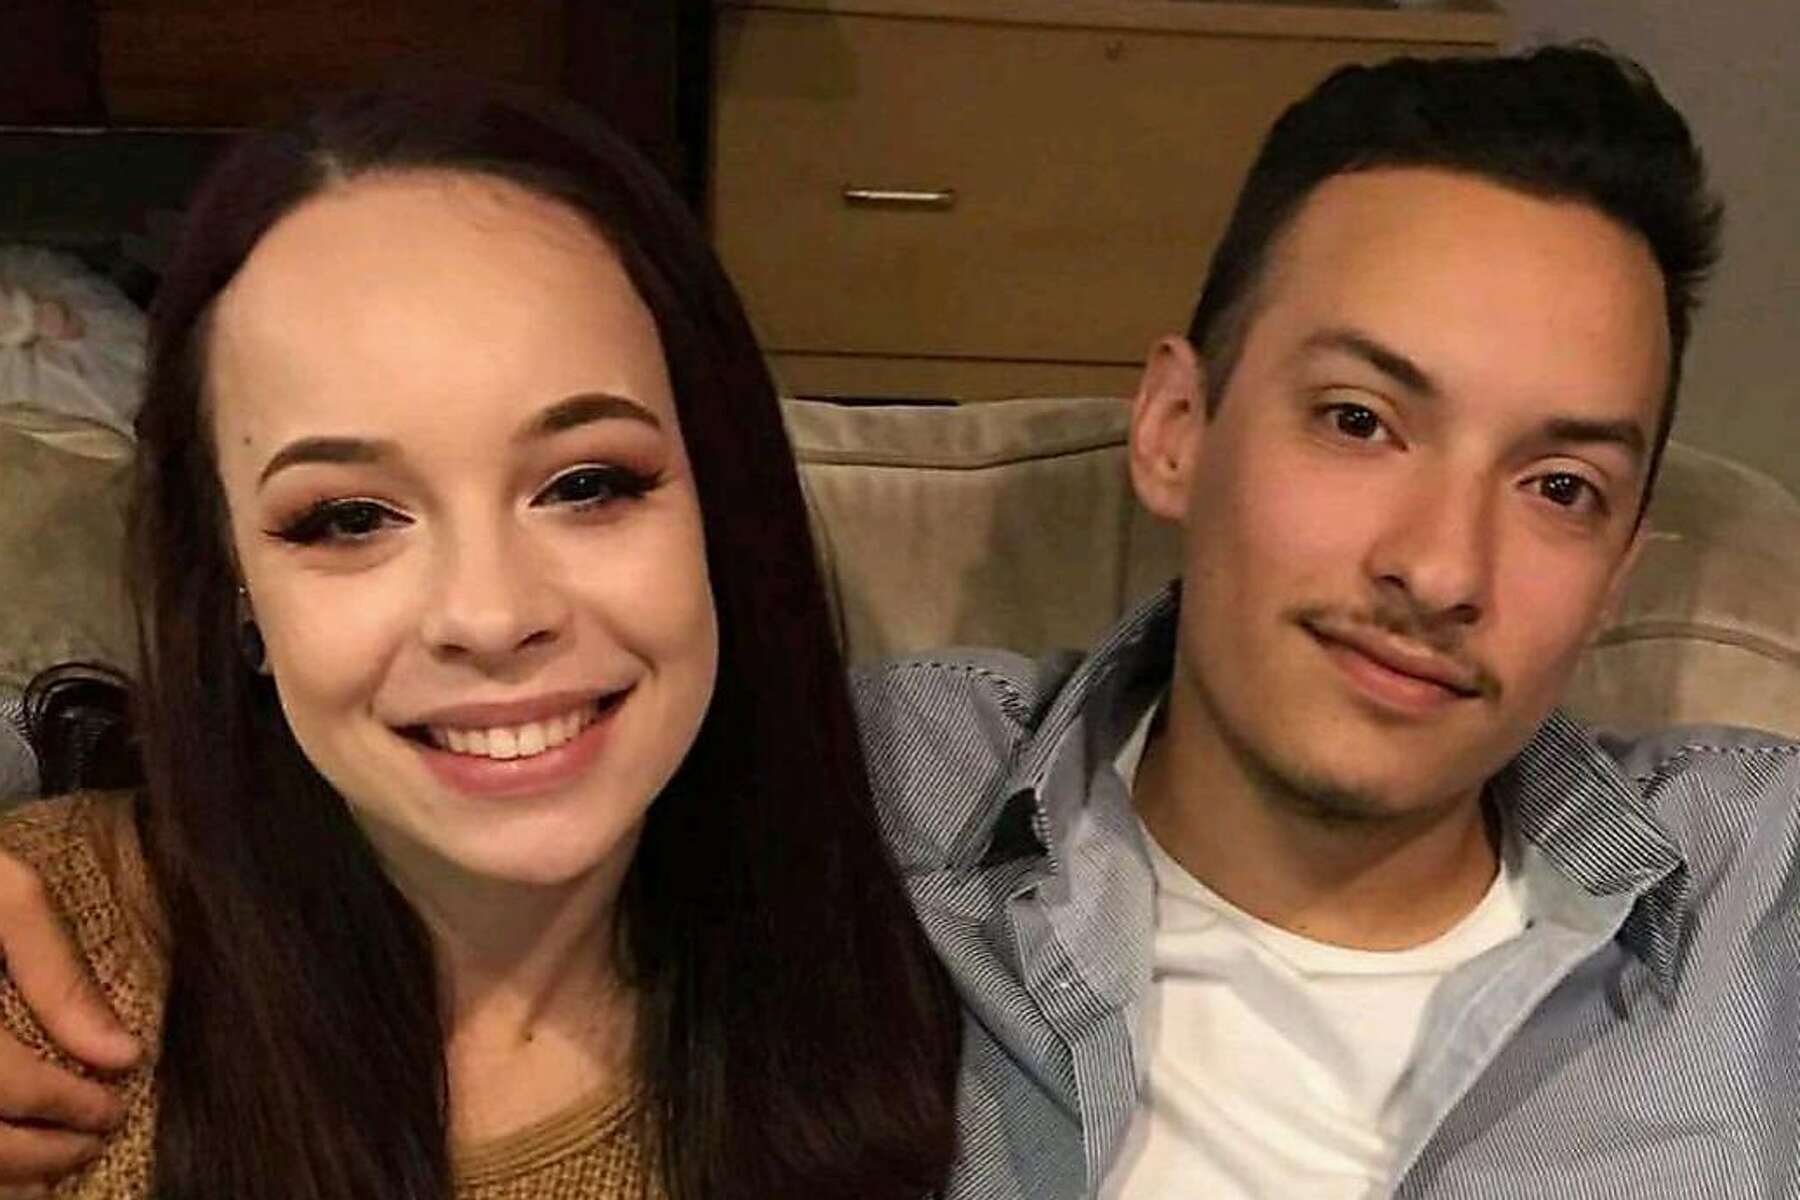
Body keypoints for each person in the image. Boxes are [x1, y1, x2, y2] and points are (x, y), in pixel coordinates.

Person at [5, 43, 1798, 1200]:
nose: (1442, 565)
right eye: (1358, 420)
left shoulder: (1760, 898)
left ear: (1630, 556)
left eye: (1560, 485)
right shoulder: (877, 792)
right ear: (1173, 427)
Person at [0, 83, 960, 1199]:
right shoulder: (43, 989)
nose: (492, 617)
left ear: (722, 507)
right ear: (232, 587)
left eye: (588, 484)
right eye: (347, 518)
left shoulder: (978, 965)